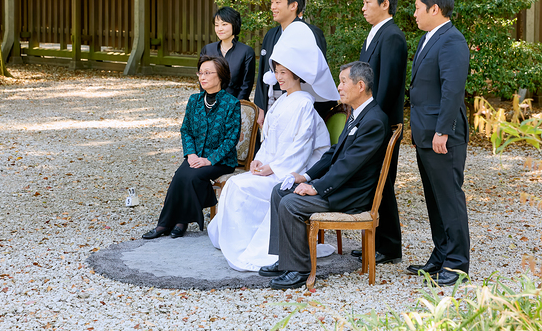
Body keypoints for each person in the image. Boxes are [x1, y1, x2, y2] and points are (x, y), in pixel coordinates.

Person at [208, 21, 340, 272]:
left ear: (296, 74)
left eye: (283, 73)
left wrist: (273, 168)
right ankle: (235, 240)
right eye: (276, 72)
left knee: (240, 187)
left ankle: (251, 245)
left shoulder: (304, 104)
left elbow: (301, 150)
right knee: (236, 184)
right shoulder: (281, 102)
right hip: (271, 166)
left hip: (288, 172)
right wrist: (258, 161)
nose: (278, 78)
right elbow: (269, 141)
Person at [259, 61, 390, 289]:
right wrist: (306, 177)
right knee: (279, 190)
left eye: (343, 82)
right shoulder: (358, 114)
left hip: (351, 195)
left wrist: (317, 187)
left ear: (360, 86)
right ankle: (285, 259)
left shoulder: (374, 120)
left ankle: (299, 271)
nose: (338, 87)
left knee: (291, 203)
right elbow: (333, 155)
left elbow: (348, 165)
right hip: (340, 186)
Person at [407, 0, 470, 286]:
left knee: (449, 197)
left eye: (418, 8)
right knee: (434, 198)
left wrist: (442, 131)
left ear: (434, 8)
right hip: (425, 133)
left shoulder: (452, 40)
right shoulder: (427, 39)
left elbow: (453, 89)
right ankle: (442, 253)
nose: (414, 13)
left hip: (442, 134)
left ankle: (457, 263)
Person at [142, 56, 241, 240]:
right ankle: (165, 224)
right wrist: (191, 154)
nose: (202, 77)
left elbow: (231, 139)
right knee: (181, 175)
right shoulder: (194, 100)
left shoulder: (231, 103)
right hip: (195, 156)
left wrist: (209, 159)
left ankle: (180, 221)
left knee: (192, 176)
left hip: (221, 160)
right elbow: (185, 130)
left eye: (207, 73)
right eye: (200, 73)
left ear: (220, 76)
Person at [351, 0, 407, 265]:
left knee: (384, 182)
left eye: (367, 3)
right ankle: (377, 240)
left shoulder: (393, 36)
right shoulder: (374, 34)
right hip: (372, 121)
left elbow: (388, 86)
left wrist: (374, 122)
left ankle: (390, 245)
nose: (363, 8)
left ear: (385, 4)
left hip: (382, 124)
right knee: (374, 182)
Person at [254, 0, 336, 125]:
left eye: (278, 2)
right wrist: (261, 107)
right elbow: (263, 72)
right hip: (273, 100)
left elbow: (313, 72)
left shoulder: (310, 33)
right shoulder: (271, 34)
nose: (272, 7)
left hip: (301, 102)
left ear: (293, 5)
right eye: (272, 2)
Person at [200, 7, 255, 100]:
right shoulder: (208, 49)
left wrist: (235, 107)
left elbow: (246, 86)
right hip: (210, 103)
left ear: (234, 25)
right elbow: (202, 79)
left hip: (236, 104)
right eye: (216, 25)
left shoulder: (246, 52)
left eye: (224, 24)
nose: (219, 29)